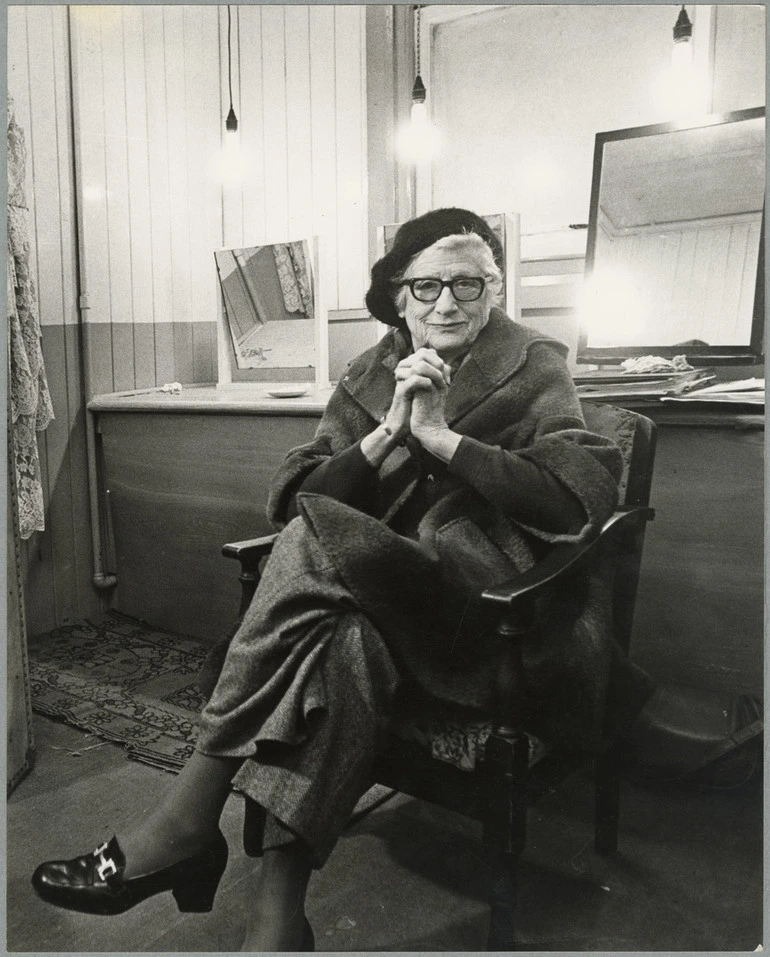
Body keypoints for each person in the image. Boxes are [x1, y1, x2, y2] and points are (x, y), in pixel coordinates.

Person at [30, 207, 758, 951]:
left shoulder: (535, 361)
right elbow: (293, 490)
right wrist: (387, 433)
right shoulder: (372, 372)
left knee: (319, 541)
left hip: (490, 618)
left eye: (469, 285)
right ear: (399, 295)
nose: (447, 303)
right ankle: (278, 927)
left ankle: (185, 819)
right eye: (428, 286)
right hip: (384, 613)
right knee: (340, 646)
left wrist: (445, 437)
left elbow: (579, 499)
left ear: (495, 291)